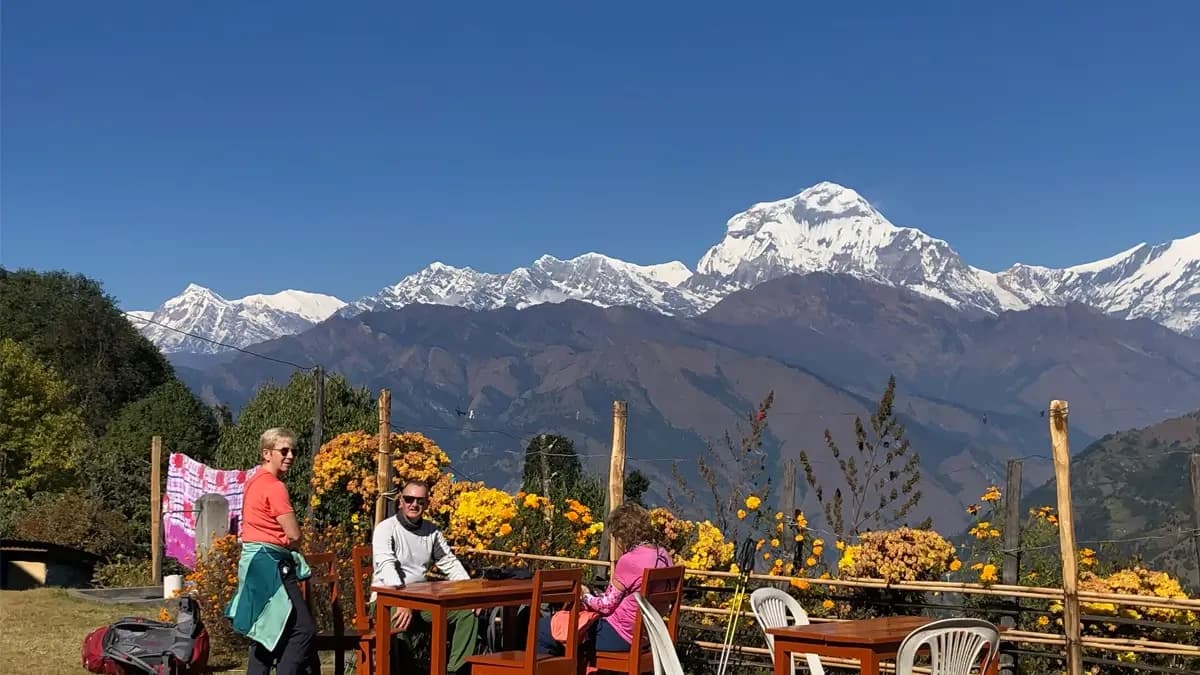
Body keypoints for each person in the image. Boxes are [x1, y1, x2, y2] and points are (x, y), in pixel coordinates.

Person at [225, 427, 317, 675]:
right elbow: (294, 534)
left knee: (265, 634)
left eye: (293, 451)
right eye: (284, 451)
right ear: (267, 453)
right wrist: (293, 543)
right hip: (271, 564)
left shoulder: (253, 481)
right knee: (303, 631)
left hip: (253, 562)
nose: (290, 456)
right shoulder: (275, 487)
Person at [371, 479, 479, 675]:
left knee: (467, 614)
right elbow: (386, 567)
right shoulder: (386, 529)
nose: (414, 504)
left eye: (420, 501)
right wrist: (402, 600)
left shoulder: (432, 531)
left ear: (426, 504)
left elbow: (450, 563)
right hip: (387, 598)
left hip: (422, 601)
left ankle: (455, 671)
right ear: (400, 501)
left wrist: (469, 593)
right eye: (409, 499)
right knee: (399, 621)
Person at [536, 502, 673, 655]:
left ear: (623, 534)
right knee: (567, 630)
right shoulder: (664, 555)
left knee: (542, 629)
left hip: (619, 634)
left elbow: (606, 606)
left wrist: (585, 595)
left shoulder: (630, 561)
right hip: (647, 635)